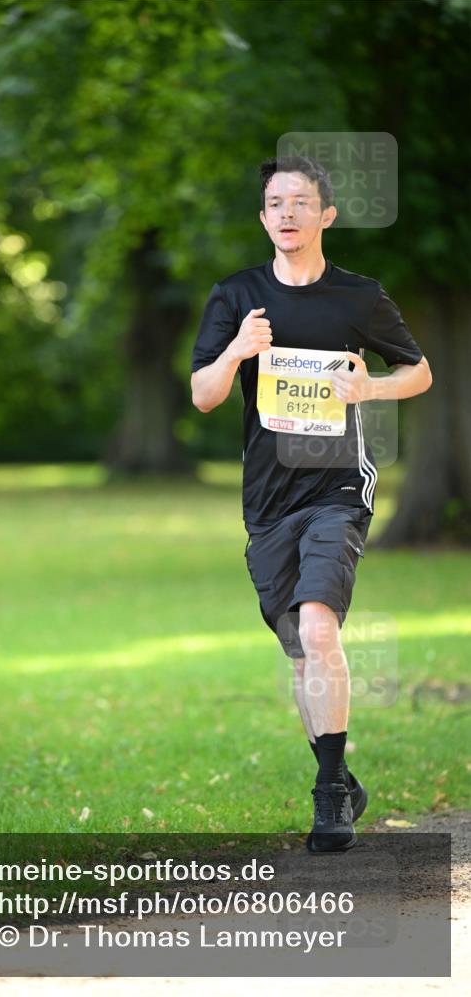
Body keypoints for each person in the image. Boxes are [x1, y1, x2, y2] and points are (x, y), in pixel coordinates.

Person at [190, 154, 432, 852]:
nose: (287, 213)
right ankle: (341, 777)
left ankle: (328, 796)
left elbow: (417, 372)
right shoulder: (236, 295)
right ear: (263, 217)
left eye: (300, 201)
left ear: (325, 214)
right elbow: (203, 395)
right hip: (267, 498)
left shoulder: (358, 297)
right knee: (301, 648)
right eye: (275, 203)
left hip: (336, 488)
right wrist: (237, 350)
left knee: (320, 630)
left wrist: (371, 388)